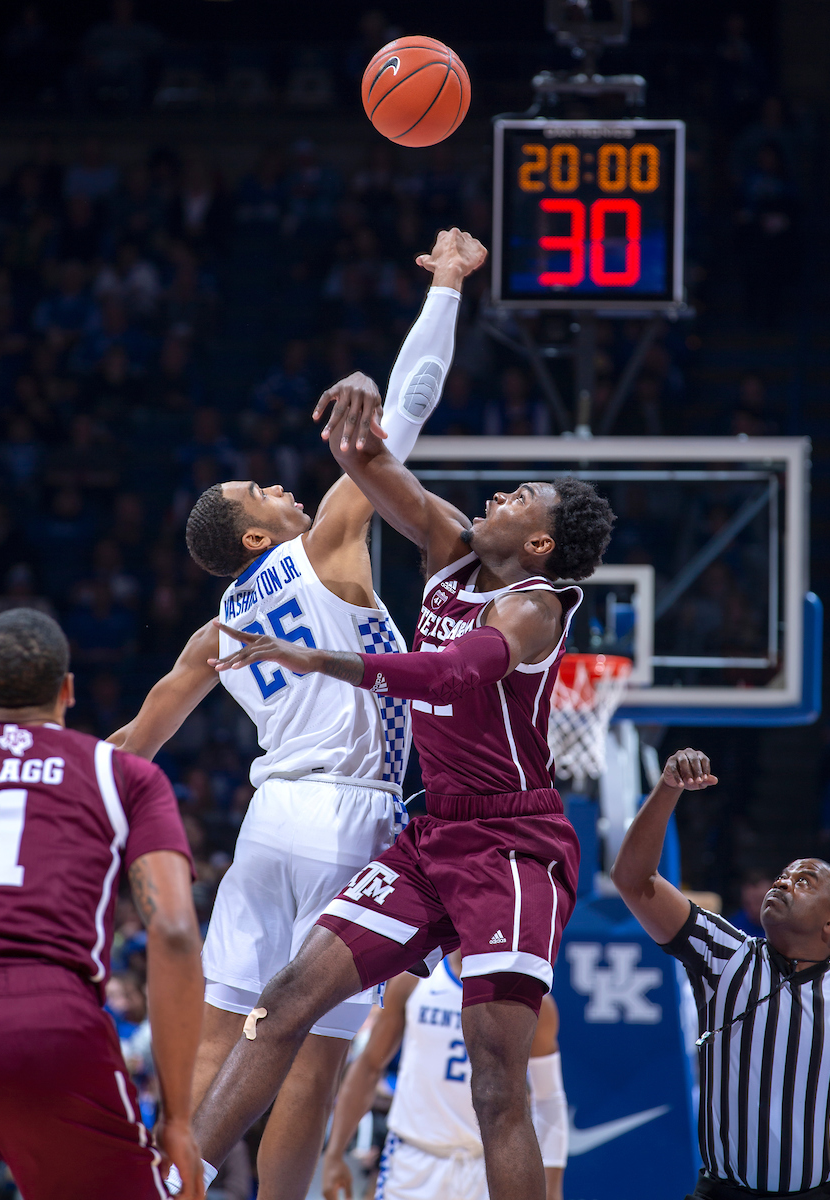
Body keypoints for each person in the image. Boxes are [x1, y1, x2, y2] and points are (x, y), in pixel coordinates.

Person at [110, 227, 487, 1199]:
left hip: (265, 823)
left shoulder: (214, 630)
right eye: (259, 489)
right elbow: (402, 411)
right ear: (252, 531)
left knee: (227, 1038)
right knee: (312, 1058)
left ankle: (172, 1187)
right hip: (348, 817)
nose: (279, 485)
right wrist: (444, 286)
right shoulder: (323, 540)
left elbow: (130, 747)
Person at [187, 402, 615, 1200]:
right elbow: (370, 466)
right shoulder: (449, 549)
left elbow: (455, 673)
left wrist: (322, 658)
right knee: (284, 1002)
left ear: (539, 545)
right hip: (431, 835)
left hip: (513, 845)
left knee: (495, 1080)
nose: (500, 496)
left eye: (521, 497)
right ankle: (173, 1186)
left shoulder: (534, 606)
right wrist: (359, 402)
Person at [0, 608, 203, 1199]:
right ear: (66, 691)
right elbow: (178, 935)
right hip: (48, 1026)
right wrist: (179, 1120)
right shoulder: (122, 775)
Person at [610, 747, 830, 1200]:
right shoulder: (726, 954)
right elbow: (632, 878)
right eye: (782, 876)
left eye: (803, 882)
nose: (783, 882)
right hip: (725, 1193)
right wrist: (668, 789)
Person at [322, 951, 567, 1200]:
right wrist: (335, 1152)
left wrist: (553, 1186)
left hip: (489, 1165)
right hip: (413, 1158)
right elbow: (369, 1067)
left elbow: (549, 1098)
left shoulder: (529, 997)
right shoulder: (417, 979)